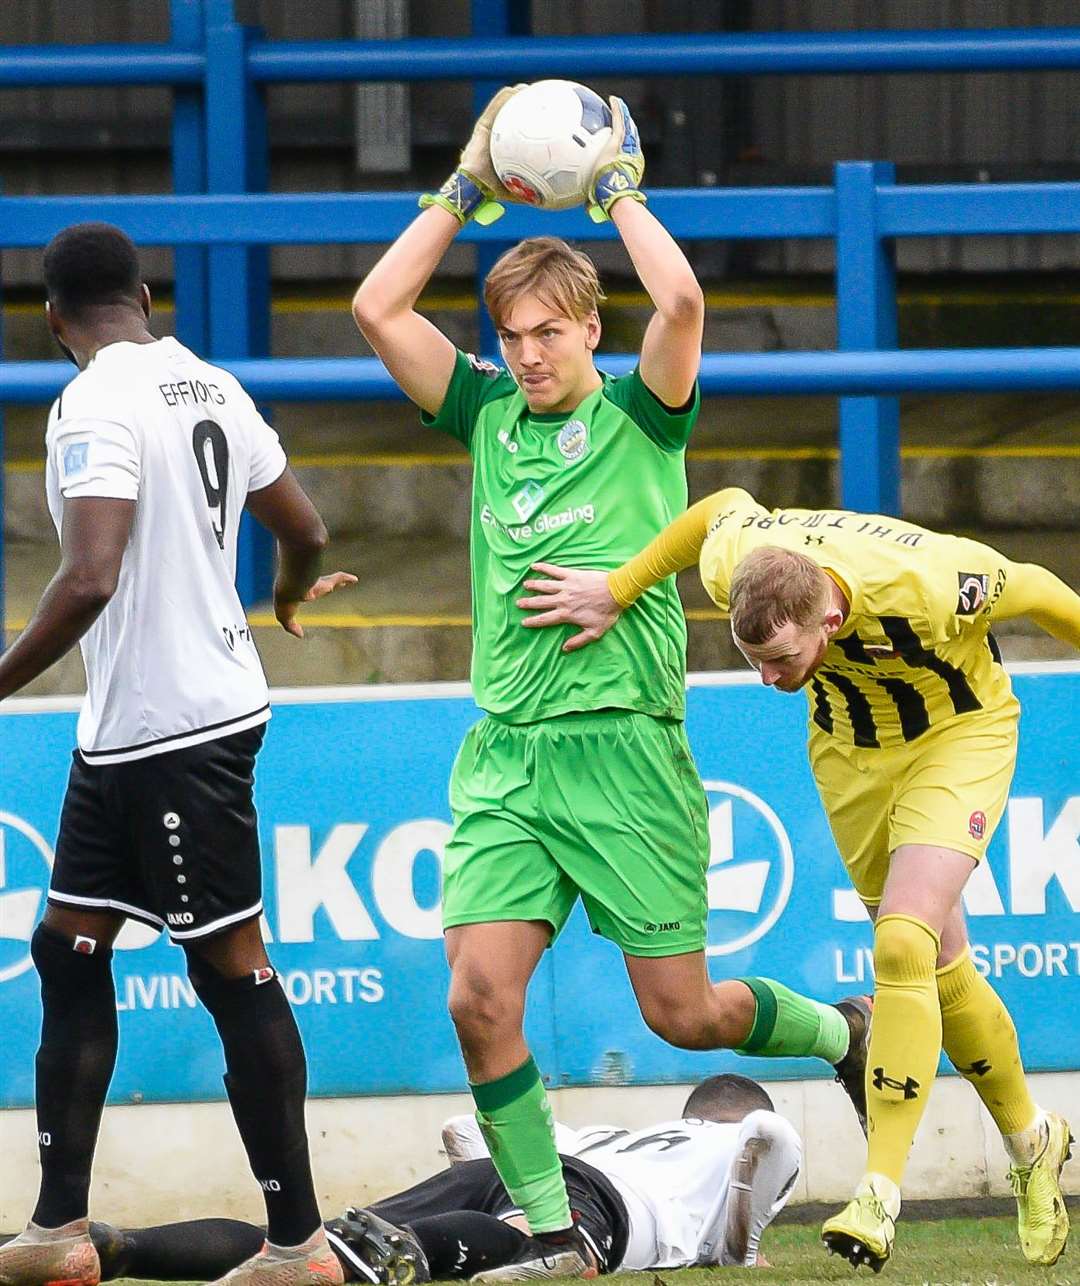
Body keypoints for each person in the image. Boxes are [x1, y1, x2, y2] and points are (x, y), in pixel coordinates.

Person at [351, 86, 871, 1278]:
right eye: (515, 335)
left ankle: (837, 1026)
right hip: (509, 754)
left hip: (626, 749)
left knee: (681, 1014)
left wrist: (615, 187)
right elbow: (378, 305)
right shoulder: (481, 413)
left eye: (552, 332)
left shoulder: (649, 418)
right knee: (479, 998)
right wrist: (463, 189)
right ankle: (553, 1234)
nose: (531, 355)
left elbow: (683, 298)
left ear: (591, 331)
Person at [514, 484, 1080, 1271]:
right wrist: (616, 589)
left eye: (782, 660)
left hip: (957, 738)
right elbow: (716, 508)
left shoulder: (930, 581)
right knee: (939, 969)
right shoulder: (739, 562)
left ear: (833, 620)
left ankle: (880, 1190)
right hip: (850, 755)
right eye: (754, 661)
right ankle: (1034, 1139)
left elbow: (1037, 586)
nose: (770, 681)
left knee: (902, 942)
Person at [0, 223, 356, 1286]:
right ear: (146, 293)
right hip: (135, 728)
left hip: (177, 728)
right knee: (67, 944)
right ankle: (58, 1228)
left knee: (230, 963)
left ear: (54, 320)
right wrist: (283, 597)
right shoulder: (211, 385)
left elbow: (91, 574)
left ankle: (298, 1245)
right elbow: (308, 527)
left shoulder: (90, 402)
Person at [71, 1074, 803, 1283]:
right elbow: (769, 1136)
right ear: (733, 1116)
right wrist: (742, 1248)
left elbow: (462, 1128)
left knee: (305, 1251)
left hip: (524, 1166)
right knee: (518, 1242)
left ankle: (120, 1247)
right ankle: (410, 1252)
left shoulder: (620, 1132)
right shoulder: (744, 1136)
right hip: (606, 1209)